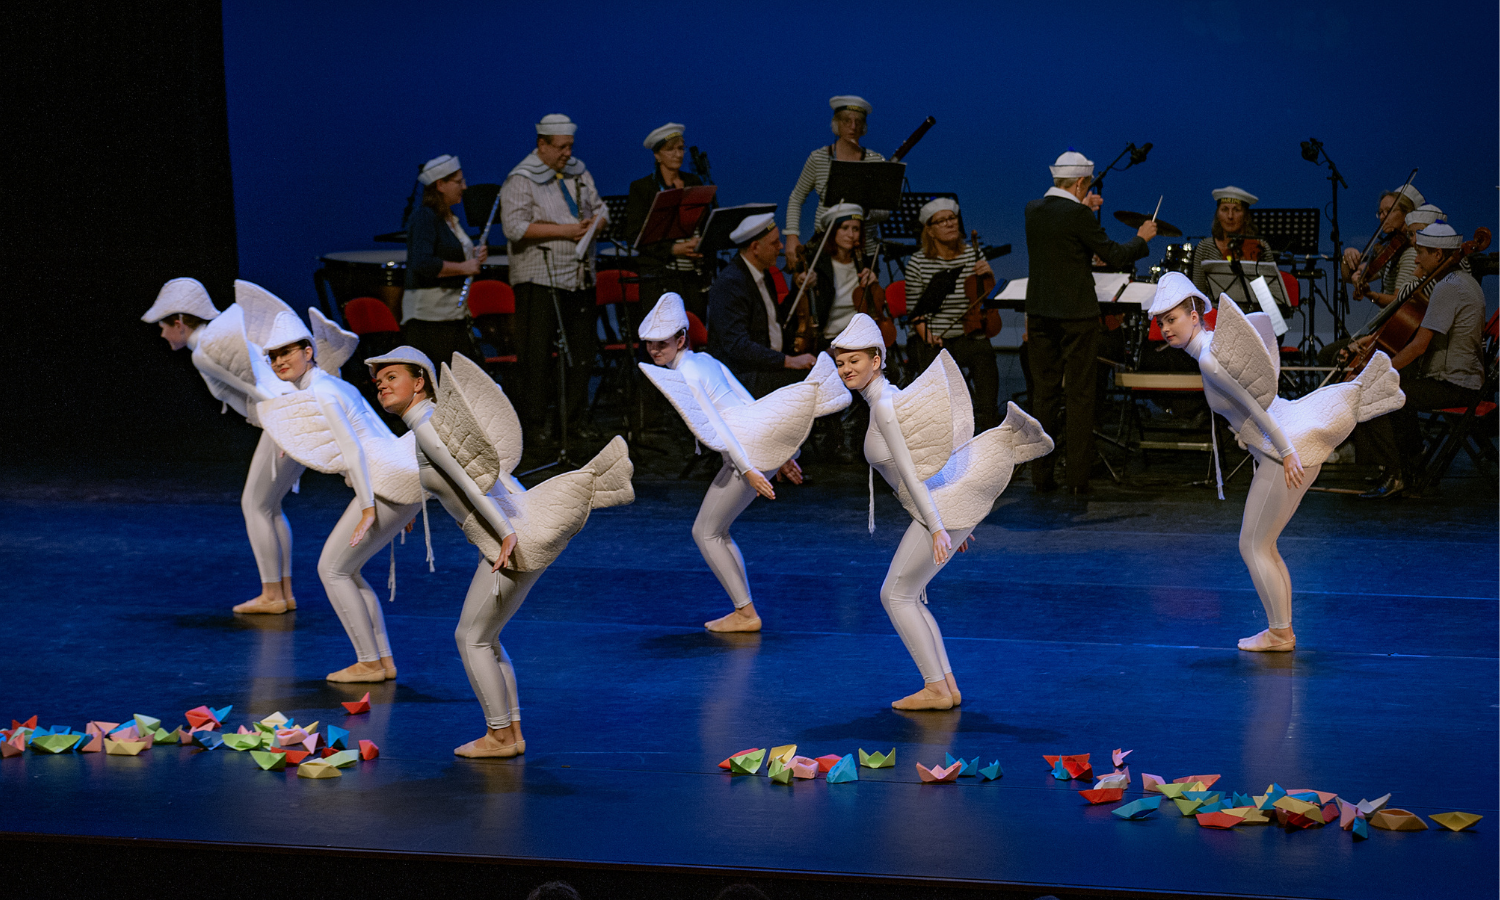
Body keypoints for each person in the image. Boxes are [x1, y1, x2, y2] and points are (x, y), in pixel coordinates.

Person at [378, 348, 632, 753]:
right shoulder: (434, 422)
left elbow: (468, 483)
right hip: (514, 533)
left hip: (508, 541)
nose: (382, 385)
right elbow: (481, 475)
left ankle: (499, 735)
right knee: (487, 637)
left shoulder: (427, 426)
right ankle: (509, 734)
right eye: (378, 381)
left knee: (471, 638)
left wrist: (506, 531)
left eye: (392, 377)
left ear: (420, 381)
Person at [1149, 273, 1402, 650]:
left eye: (1172, 319)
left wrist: (1285, 452)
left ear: (1195, 316)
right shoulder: (1211, 348)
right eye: (1161, 322)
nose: (1166, 328)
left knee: (1253, 545)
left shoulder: (1210, 359)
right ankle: (1281, 631)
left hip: (1283, 449)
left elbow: (1257, 408)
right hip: (1283, 445)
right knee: (1264, 545)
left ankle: (1280, 633)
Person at [830, 314, 1051, 708]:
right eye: (840, 362)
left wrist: (939, 526)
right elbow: (923, 469)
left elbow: (912, 474)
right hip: (942, 504)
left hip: (939, 507)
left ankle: (936, 688)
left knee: (895, 596)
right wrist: (951, 519)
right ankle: (946, 686)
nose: (846, 369)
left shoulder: (885, 405)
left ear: (876, 360)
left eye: (854, 361)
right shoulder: (887, 397)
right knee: (908, 595)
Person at [637, 293, 847, 632]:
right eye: (649, 344)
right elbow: (748, 403)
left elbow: (720, 424)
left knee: (705, 532)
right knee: (716, 531)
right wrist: (780, 455)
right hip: (753, 444)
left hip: (745, 451)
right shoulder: (705, 360)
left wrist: (750, 467)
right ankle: (743, 610)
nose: (654, 351)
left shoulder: (687, 373)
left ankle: (745, 613)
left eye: (661, 343)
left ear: (680, 340)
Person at [257, 311, 424, 683]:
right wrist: (404, 491)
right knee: (348, 570)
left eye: (287, 352)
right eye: (273, 356)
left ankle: (369, 663)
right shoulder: (331, 386)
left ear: (308, 351)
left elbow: (353, 451)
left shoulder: (323, 393)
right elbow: (378, 433)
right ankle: (381, 661)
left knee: (332, 569)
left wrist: (368, 507)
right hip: (391, 479)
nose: (279, 361)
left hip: (380, 483)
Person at [142, 278, 304, 615]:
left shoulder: (205, 352)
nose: (161, 333)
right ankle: (283, 593)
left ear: (180, 322)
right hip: (292, 415)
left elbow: (260, 390)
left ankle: (272, 595)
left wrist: (285, 426)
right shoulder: (219, 339)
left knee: (254, 505)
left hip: (285, 419)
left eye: (163, 325)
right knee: (270, 506)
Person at [1024, 150, 1155, 494]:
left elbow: (1063, 232)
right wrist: (1142, 238)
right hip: (1076, 316)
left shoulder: (1032, 209)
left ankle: (1041, 475)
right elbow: (1115, 255)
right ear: (1082, 182)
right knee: (1080, 396)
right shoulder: (1078, 215)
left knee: (1044, 394)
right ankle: (1077, 479)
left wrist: (1083, 207)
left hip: (1039, 313)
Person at [1354, 222, 1486, 499]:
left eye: (1421, 252)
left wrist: (1377, 372)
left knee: (1372, 392)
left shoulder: (1448, 287)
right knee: (1396, 389)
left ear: (1438, 255)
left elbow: (1418, 346)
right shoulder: (1463, 282)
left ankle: (1395, 473)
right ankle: (1409, 460)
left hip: (1454, 384)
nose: (1416, 259)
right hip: (1463, 380)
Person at [500, 114, 606, 435]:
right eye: (561, 147)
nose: (567, 153)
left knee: (581, 354)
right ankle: (534, 427)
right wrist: (566, 230)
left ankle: (571, 423)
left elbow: (601, 209)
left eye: (570, 146)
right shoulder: (521, 178)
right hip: (540, 281)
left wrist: (595, 223)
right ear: (542, 144)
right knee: (537, 357)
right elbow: (514, 227)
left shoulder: (578, 171)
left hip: (579, 277)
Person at [904, 197, 1001, 432]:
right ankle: (937, 432)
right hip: (933, 335)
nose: (950, 224)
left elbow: (986, 296)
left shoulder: (973, 255)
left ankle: (988, 426)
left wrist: (989, 276)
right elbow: (914, 312)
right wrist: (928, 335)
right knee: (930, 361)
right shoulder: (918, 262)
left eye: (952, 218)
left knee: (985, 356)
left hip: (968, 333)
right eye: (941, 221)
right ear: (930, 230)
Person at [705, 212, 816, 397]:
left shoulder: (763, 274)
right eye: (775, 243)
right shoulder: (731, 283)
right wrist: (787, 361)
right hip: (743, 377)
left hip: (766, 367)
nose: (781, 246)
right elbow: (738, 346)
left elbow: (777, 321)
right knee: (815, 382)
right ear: (755, 247)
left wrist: (798, 289)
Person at [401, 154, 484, 367]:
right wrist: (464, 267)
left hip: (452, 314)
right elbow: (422, 262)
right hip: (430, 320)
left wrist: (472, 255)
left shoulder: (449, 218)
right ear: (440, 185)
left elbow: (449, 252)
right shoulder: (425, 217)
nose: (464, 187)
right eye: (458, 182)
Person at [784, 95, 885, 263]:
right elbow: (796, 198)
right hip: (825, 246)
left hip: (864, 251)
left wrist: (864, 209)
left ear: (864, 127)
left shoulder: (876, 161)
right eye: (846, 121)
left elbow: (885, 211)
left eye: (858, 122)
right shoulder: (818, 158)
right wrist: (792, 236)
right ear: (836, 124)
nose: (853, 127)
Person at [624, 122, 710, 318]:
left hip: (694, 274)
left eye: (680, 148)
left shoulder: (694, 182)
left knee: (696, 326)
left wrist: (702, 245)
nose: (678, 154)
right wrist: (673, 249)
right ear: (657, 155)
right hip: (661, 277)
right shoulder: (643, 188)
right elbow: (635, 235)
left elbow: (705, 222)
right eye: (670, 150)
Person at [1342, 183, 1423, 307]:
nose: (1382, 217)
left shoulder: (1411, 253)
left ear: (1407, 214)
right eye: (1380, 212)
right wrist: (1346, 257)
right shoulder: (1390, 252)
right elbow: (1348, 277)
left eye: (1389, 211)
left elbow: (1400, 301)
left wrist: (1371, 295)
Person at [1188, 186, 1272, 299]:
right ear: (1218, 214)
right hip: (1215, 309)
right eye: (1224, 209)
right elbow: (1198, 294)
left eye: (1236, 210)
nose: (1230, 216)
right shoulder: (1205, 247)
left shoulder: (1261, 247)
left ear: (1246, 216)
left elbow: (1271, 293)